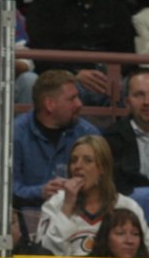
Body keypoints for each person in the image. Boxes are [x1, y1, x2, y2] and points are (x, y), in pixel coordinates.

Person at [26, 0, 137, 106]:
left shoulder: (117, 9)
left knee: (137, 89)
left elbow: (127, 55)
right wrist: (74, 74)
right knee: (60, 90)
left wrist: (113, 74)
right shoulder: (44, 6)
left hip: (110, 80)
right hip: (62, 77)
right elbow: (40, 54)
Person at [37, 135, 149, 256]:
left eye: (88, 160)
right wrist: (67, 205)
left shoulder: (128, 206)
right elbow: (45, 252)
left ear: (103, 168)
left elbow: (145, 251)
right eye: (74, 160)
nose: (78, 166)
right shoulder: (56, 202)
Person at [12, 70, 98, 210]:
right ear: (50, 104)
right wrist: (40, 192)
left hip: (76, 215)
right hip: (28, 216)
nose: (79, 104)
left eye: (78, 97)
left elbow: (102, 184)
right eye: (72, 99)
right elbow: (4, 187)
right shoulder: (15, 134)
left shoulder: (88, 134)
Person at [102, 68, 149, 215]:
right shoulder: (113, 137)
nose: (147, 102)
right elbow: (119, 186)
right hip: (129, 214)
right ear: (127, 101)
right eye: (139, 95)